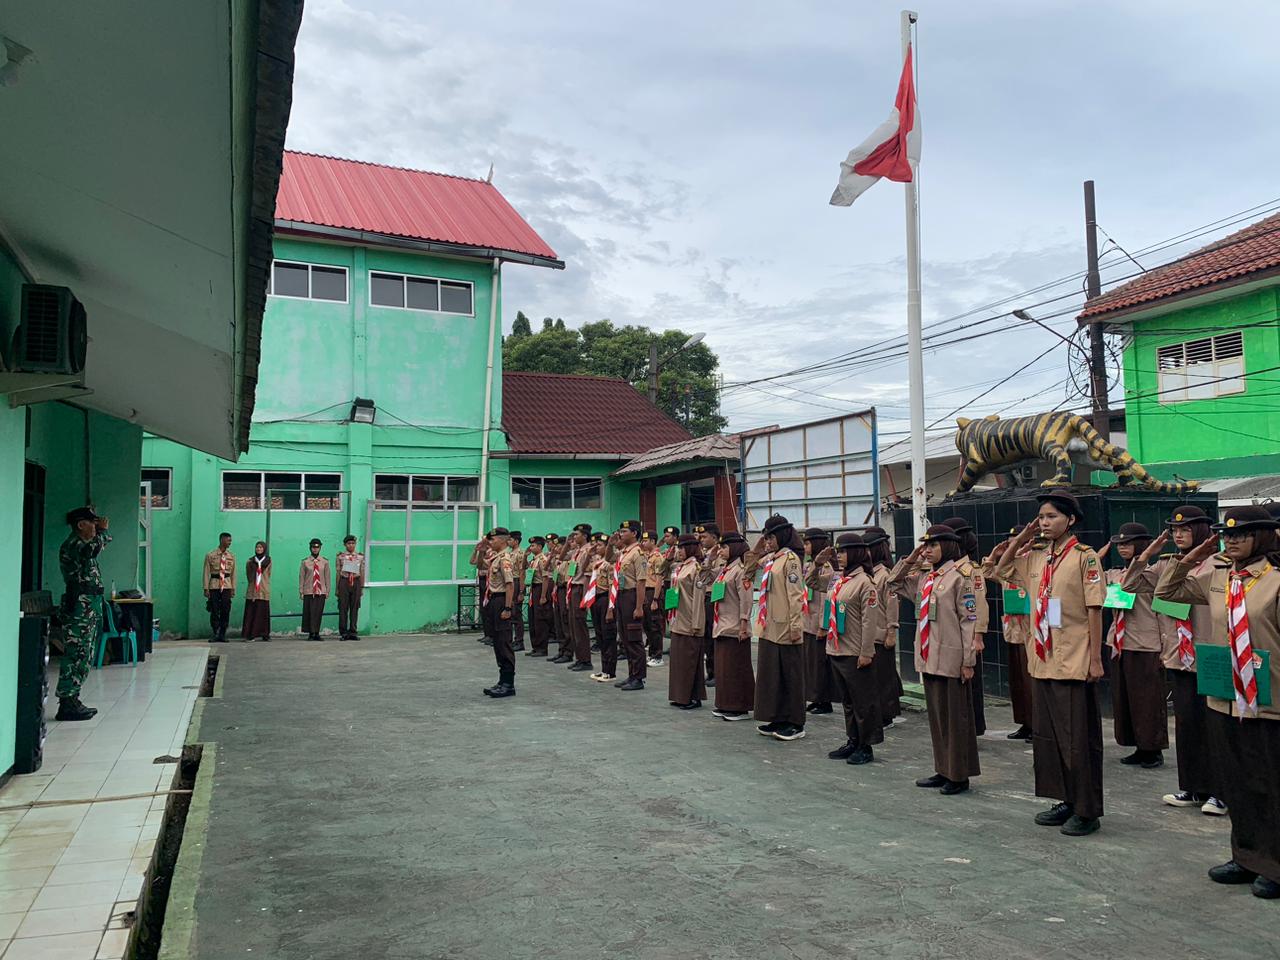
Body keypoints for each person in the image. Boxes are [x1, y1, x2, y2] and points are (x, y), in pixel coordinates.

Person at [1155, 504, 1280, 899]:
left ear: (1263, 536)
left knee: (1268, 783)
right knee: (1236, 780)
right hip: (1225, 695)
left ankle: (1274, 863)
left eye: (1242, 534)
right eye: (1228, 535)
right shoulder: (1218, 576)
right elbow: (1167, 593)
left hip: (1268, 699)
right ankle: (1246, 856)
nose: (1233, 540)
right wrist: (1190, 557)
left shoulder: (1275, 580)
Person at [994, 490, 1106, 837]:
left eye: (1051, 516)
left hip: (1073, 658)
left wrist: (1096, 659)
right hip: (1042, 658)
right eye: (1041, 517)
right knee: (1050, 738)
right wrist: (1023, 538)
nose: (1044, 522)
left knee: (1077, 739)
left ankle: (1086, 809)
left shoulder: (1085, 557)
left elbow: (1094, 609)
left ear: (1070, 520)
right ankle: (1065, 799)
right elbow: (1000, 569)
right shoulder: (1038, 556)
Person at [1124, 506, 1224, 814]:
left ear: (1203, 530)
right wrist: (1147, 554)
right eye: (1174, 530)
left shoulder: (1220, 563)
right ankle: (1192, 786)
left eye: (1186, 529)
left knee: (1215, 728)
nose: (1178, 534)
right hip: (1180, 656)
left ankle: (1220, 791)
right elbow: (1130, 585)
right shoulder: (1167, 564)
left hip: (1210, 654)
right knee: (1187, 726)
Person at [890, 525, 980, 795]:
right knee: (938, 719)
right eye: (925, 546)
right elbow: (893, 582)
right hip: (929, 657)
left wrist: (968, 661)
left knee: (955, 719)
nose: (927, 550)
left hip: (951, 658)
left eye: (933, 546)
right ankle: (943, 769)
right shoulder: (925, 578)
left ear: (948, 546)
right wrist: (910, 559)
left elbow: (968, 621)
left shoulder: (959, 578)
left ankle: (959, 775)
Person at [1102, 523, 1168, 768]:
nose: (1122, 548)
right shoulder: (1114, 573)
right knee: (1127, 699)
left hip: (1147, 643)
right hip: (1121, 643)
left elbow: (1163, 611)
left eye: (1128, 543)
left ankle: (1153, 749)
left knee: (1148, 700)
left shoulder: (1152, 573)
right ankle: (1139, 745)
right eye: (1119, 544)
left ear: (1141, 545)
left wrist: (1165, 646)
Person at [825, 533, 885, 766]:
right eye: (838, 552)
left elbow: (870, 621)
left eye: (843, 551)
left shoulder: (865, 583)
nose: (839, 556)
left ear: (856, 553)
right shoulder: (840, 580)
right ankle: (853, 739)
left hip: (855, 651)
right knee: (848, 701)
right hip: (837, 648)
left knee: (863, 701)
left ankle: (866, 745)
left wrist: (866, 652)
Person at [753, 514, 809, 742]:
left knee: (790, 676)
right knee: (773, 675)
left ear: (783, 535)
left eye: (771, 537)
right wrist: (759, 546)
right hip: (769, 626)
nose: (767, 542)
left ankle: (795, 722)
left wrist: (796, 626)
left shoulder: (790, 560)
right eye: (766, 538)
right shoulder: (772, 559)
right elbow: (749, 566)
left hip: (786, 626)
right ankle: (776, 716)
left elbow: (796, 596)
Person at [55, 506, 109, 721]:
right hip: (79, 606)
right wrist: (103, 532)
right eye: (92, 524)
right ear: (80, 525)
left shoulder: (83, 545)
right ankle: (67, 702)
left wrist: (100, 533)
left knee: (84, 653)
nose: (95, 527)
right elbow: (92, 550)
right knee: (76, 652)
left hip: (88, 605)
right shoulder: (74, 544)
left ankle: (73, 698)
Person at [983, 525, 1033, 741]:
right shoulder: (1007, 570)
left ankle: (1037, 724)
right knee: (1018, 683)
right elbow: (987, 572)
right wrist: (994, 555)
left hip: (1030, 634)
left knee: (1031, 684)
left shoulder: (1031, 566)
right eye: (1011, 541)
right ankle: (1025, 722)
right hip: (1012, 632)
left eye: (1017, 541)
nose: (1013, 545)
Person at [942, 517, 988, 736]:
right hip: (954, 634)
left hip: (969, 635)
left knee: (971, 684)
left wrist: (978, 636)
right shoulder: (949, 569)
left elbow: (979, 604)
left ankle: (974, 726)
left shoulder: (970, 569)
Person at [711, 532, 755, 721]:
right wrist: (710, 559)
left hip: (735, 627)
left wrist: (743, 624)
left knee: (736, 669)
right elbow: (704, 578)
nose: (720, 550)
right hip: (722, 625)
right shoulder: (725, 570)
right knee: (724, 670)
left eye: (724, 547)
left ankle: (739, 707)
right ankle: (725, 703)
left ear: (735, 548)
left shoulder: (741, 570)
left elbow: (746, 599)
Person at [864, 526, 904, 726]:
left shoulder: (885, 575)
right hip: (869, 634)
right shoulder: (869, 574)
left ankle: (887, 715)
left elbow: (892, 605)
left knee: (884, 676)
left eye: (867, 549)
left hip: (881, 634)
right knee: (873, 678)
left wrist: (891, 631)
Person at [668, 533, 711, 709]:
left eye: (682, 548)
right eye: (678, 548)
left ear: (691, 548)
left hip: (689, 620)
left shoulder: (696, 569)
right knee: (679, 661)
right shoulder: (680, 567)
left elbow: (699, 599)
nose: (678, 551)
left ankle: (693, 697)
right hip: (678, 619)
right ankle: (680, 695)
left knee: (690, 661)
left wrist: (696, 624)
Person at [609, 520, 649, 691]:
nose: (621, 534)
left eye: (624, 531)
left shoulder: (638, 553)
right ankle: (632, 674)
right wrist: (611, 544)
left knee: (634, 638)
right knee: (625, 638)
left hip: (632, 596)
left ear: (634, 533)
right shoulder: (623, 552)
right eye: (620, 531)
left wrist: (639, 607)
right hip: (622, 595)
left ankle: (638, 677)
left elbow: (641, 581)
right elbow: (608, 559)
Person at [802, 528, 836, 715]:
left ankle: (824, 700)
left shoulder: (826, 567)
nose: (805, 547)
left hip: (817, 624)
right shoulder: (810, 565)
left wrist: (824, 625)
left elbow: (826, 599)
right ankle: (815, 698)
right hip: (808, 621)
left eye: (808, 543)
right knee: (811, 664)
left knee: (819, 665)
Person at [482, 527, 517, 698]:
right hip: (494, 600)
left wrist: (507, 608)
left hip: (502, 600)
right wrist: (480, 550)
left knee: (504, 643)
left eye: (493, 539)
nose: (490, 542)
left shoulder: (504, 559)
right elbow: (479, 565)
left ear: (502, 540)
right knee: (497, 642)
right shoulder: (495, 558)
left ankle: (508, 684)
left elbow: (510, 585)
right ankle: (502, 681)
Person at [588, 533, 619, 682]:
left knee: (608, 637)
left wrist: (610, 609)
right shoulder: (597, 562)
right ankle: (604, 669)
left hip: (606, 599)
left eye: (600, 545)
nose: (597, 547)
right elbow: (584, 568)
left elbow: (612, 586)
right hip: (596, 599)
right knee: (600, 636)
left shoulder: (609, 564)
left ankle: (610, 672)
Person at [649, 526, 680, 665]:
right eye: (665, 536)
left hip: (674, 586)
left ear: (675, 537)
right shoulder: (666, 550)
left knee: (674, 616)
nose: (665, 538)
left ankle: (676, 645)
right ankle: (673, 644)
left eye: (668, 536)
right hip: (667, 585)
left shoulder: (678, 550)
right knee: (669, 617)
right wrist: (660, 543)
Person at [695, 522, 721, 685]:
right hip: (704, 595)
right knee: (706, 638)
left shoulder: (719, 554)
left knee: (712, 636)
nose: (701, 539)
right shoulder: (704, 554)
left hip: (713, 596)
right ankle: (710, 672)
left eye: (704, 537)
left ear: (714, 537)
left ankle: (716, 673)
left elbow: (718, 578)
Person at [567, 524, 595, 673]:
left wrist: (585, 596)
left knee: (580, 625)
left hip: (580, 589)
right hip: (573, 588)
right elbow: (561, 557)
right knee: (573, 625)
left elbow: (588, 575)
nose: (574, 537)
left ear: (584, 536)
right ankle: (579, 658)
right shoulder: (577, 551)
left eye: (577, 534)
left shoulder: (589, 551)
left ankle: (585, 660)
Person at [203, 532, 236, 642]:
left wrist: (233, 588)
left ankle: (222, 633)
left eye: (230, 540)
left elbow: (233, 573)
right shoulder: (210, 555)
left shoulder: (231, 556)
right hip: (214, 585)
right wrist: (206, 588)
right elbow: (206, 572)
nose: (230, 542)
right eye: (228, 540)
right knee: (214, 609)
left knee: (226, 609)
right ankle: (215, 633)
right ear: (222, 540)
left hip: (226, 585)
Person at [640, 531, 665, 667]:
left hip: (653, 592)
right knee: (647, 625)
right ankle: (652, 653)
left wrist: (655, 599)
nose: (643, 543)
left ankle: (658, 656)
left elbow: (659, 579)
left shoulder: (658, 557)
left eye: (646, 541)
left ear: (653, 542)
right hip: (646, 591)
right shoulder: (646, 556)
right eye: (643, 541)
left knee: (655, 625)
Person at [336, 535, 366, 642]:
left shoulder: (360, 557)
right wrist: (337, 588)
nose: (351, 545)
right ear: (345, 545)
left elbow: (362, 572)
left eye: (353, 543)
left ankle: (353, 631)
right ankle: (343, 632)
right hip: (344, 582)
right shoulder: (340, 557)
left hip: (356, 582)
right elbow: (338, 573)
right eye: (349, 543)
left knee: (355, 607)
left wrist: (361, 587)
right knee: (343, 607)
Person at [299, 539, 330, 641]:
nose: (315, 549)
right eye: (313, 547)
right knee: (309, 612)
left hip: (321, 591)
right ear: (310, 548)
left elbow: (327, 577)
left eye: (317, 547)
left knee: (318, 612)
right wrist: (301, 591)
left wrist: (327, 591)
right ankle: (311, 633)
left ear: (320, 548)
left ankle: (316, 633)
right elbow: (302, 577)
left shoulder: (325, 562)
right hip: (309, 590)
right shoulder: (305, 562)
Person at [525, 536, 551, 658]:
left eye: (533, 545)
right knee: (533, 619)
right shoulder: (533, 560)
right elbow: (524, 568)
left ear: (540, 547)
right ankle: (535, 646)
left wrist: (543, 596)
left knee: (540, 619)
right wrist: (525, 557)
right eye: (530, 545)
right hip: (533, 589)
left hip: (540, 588)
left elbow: (545, 578)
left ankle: (542, 648)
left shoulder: (542, 560)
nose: (531, 548)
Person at [241, 541, 272, 642]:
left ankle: (265, 634)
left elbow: (268, 574)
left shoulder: (268, 561)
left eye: (261, 547)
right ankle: (251, 634)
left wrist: (263, 582)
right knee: (251, 612)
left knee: (263, 613)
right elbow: (248, 575)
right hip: (253, 590)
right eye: (257, 547)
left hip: (263, 589)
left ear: (264, 549)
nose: (258, 549)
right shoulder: (250, 561)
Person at [470, 534, 495, 644]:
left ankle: (492, 635)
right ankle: (487, 634)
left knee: (489, 608)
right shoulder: (482, 551)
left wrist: (483, 551)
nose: (482, 542)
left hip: (488, 580)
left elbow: (485, 565)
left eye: (484, 540)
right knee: (483, 608)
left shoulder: (491, 552)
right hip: (481, 580)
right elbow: (472, 561)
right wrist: (476, 550)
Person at [509, 531, 526, 652]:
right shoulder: (510, 553)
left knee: (517, 613)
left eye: (510, 540)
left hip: (516, 582)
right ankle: (514, 640)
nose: (508, 542)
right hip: (510, 582)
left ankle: (520, 641)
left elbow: (522, 573)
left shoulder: (520, 554)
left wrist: (521, 591)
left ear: (516, 541)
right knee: (511, 612)